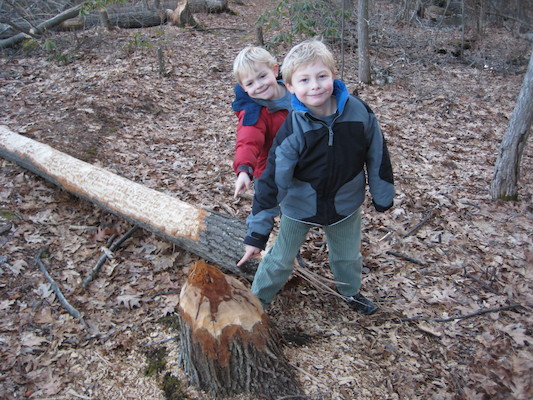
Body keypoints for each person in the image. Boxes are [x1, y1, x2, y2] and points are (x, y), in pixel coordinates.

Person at [237, 39, 395, 315]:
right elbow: (274, 180)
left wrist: (383, 196)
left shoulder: (359, 112)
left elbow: (378, 154)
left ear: (334, 75)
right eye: (304, 80)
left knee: (347, 256)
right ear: (290, 87)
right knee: (280, 259)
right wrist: (257, 233)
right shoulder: (294, 127)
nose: (315, 86)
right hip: (300, 206)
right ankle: (257, 301)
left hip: (346, 205)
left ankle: (351, 292)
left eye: (322, 76)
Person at [231, 46, 292, 199]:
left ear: (275, 70)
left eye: (262, 76)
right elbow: (248, 141)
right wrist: (244, 171)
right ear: (243, 87)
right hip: (269, 172)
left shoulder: (296, 90)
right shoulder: (253, 112)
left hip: (301, 165)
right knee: (267, 208)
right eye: (250, 83)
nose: (259, 85)